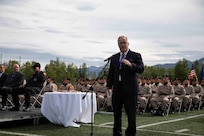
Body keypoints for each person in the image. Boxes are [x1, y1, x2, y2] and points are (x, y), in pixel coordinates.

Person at [106, 36, 144, 136]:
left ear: (128, 43)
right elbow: (111, 73)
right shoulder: (114, 57)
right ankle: (117, 133)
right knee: (117, 114)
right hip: (117, 90)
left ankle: (130, 133)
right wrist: (108, 86)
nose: (122, 45)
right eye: (120, 43)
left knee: (131, 114)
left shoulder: (135, 55)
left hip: (130, 90)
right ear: (118, 45)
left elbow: (141, 68)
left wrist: (131, 65)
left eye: (124, 43)